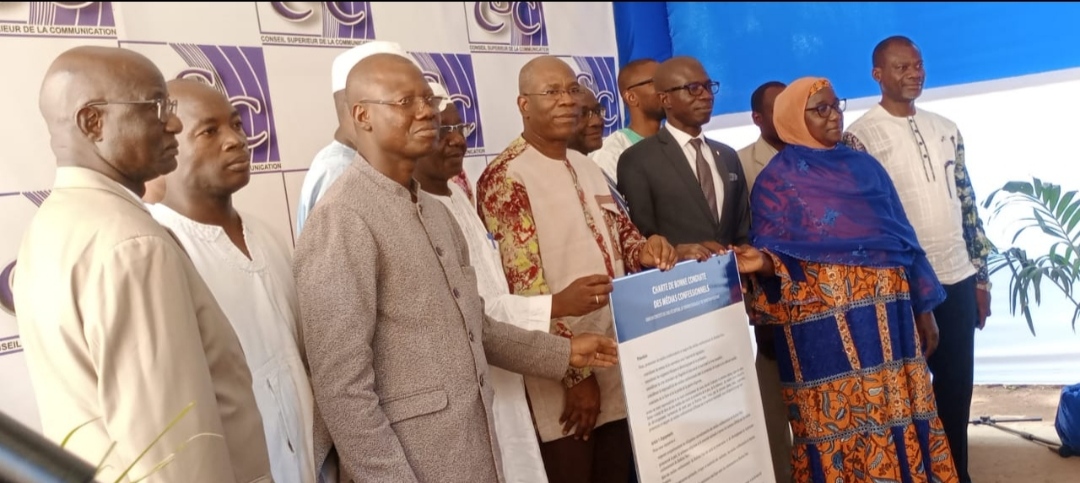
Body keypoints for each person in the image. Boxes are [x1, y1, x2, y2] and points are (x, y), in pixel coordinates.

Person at [293, 52, 622, 483]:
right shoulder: (341, 218)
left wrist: (563, 353)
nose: (426, 111)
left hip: (473, 450)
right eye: (405, 102)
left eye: (427, 99)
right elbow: (341, 390)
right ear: (362, 116)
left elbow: (473, 328)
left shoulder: (434, 209)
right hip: (409, 464)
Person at [14, 45, 271, 483]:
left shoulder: (53, 224)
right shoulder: (132, 244)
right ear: (92, 121)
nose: (172, 122)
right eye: (156, 106)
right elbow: (177, 451)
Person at [735, 76, 959, 483]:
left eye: (837, 105)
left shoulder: (865, 168)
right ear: (791, 118)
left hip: (889, 325)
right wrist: (762, 263)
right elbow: (778, 260)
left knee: (897, 413)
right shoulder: (776, 182)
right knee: (840, 427)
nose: (834, 116)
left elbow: (902, 238)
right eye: (820, 109)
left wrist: (923, 310)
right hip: (823, 333)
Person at [476, 55, 681, 483]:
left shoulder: (587, 165)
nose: (567, 101)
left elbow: (622, 236)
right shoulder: (505, 177)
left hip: (616, 355)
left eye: (572, 90)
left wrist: (649, 249)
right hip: (563, 375)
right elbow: (524, 291)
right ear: (523, 104)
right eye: (551, 92)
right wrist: (574, 373)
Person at [147, 78, 320, 483]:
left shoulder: (266, 235)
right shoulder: (158, 248)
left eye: (237, 125)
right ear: (166, 145)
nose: (236, 141)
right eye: (209, 131)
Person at [843, 36, 992, 483]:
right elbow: (866, 221)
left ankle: (956, 474)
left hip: (958, 278)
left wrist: (981, 278)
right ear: (878, 75)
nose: (914, 73)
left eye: (919, 65)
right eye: (902, 67)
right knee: (903, 395)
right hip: (901, 288)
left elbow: (967, 203)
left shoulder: (946, 126)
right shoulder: (859, 136)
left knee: (955, 389)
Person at [414, 81, 560, 483]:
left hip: (507, 374)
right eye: (443, 131)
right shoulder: (416, 212)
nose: (457, 140)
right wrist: (558, 306)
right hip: (465, 392)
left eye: (460, 128)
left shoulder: (458, 195)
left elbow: (494, 294)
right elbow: (471, 312)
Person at [616, 56, 751, 249]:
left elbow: (741, 231)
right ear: (665, 99)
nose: (706, 96)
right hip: (677, 277)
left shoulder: (728, 156)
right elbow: (641, 239)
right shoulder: (637, 160)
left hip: (734, 276)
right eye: (693, 88)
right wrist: (679, 255)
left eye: (708, 86)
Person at [295, 40, 419, 235]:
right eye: (403, 102)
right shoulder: (339, 172)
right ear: (360, 108)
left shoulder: (362, 163)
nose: (422, 113)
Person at [589, 58, 665, 184]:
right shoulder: (611, 153)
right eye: (657, 82)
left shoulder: (680, 141)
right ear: (631, 97)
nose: (667, 89)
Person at [736, 80, 786, 192]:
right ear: (757, 118)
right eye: (779, 111)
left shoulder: (814, 155)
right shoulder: (739, 162)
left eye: (790, 109)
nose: (788, 116)